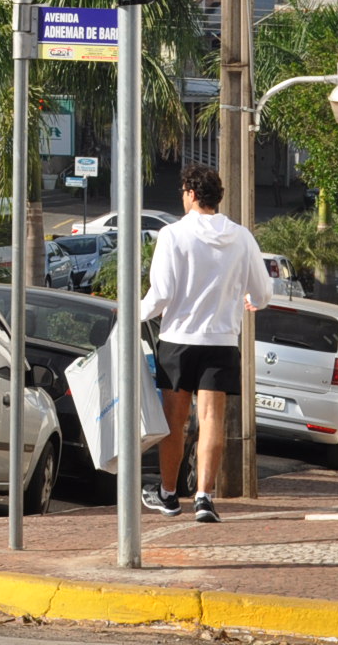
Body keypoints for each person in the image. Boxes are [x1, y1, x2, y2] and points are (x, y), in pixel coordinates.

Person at [137, 163, 272, 524]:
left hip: (178, 340)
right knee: (212, 419)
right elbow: (262, 291)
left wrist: (132, 313)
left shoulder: (172, 235)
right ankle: (204, 497)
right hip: (221, 341)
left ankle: (168, 494)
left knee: (175, 420)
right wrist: (252, 301)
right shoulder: (242, 237)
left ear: (192, 194)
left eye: (184, 192)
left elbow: (160, 295)